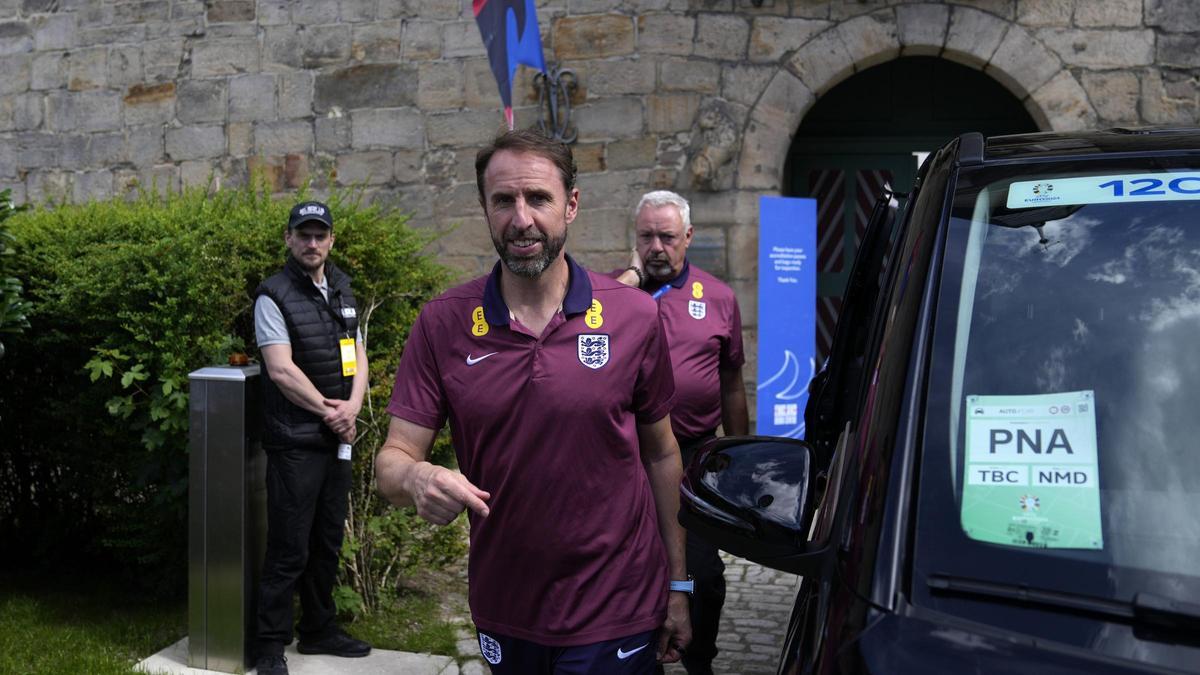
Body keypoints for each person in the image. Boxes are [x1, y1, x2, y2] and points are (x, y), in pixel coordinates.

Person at [376, 130, 692, 674]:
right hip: (506, 606)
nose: (521, 219)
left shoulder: (633, 317)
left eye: (538, 198)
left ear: (571, 204)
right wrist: (418, 479)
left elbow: (662, 454)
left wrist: (679, 585)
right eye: (503, 201)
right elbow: (392, 460)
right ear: (484, 207)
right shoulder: (443, 322)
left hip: (616, 602)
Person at [616, 190, 749, 675]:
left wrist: (740, 459)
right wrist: (630, 278)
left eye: (667, 237)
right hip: (626, 454)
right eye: (646, 236)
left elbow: (732, 382)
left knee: (705, 574)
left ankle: (700, 658)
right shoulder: (609, 294)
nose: (656, 246)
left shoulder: (718, 298)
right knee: (628, 567)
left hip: (693, 456)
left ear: (687, 237)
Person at [252, 201, 372, 675]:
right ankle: (268, 646)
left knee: (327, 541)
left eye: (320, 235)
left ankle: (319, 630)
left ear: (332, 241)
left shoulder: (342, 290)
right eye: (303, 234)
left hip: (337, 436)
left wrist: (355, 408)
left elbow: (359, 355)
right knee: (288, 548)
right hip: (298, 442)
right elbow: (281, 370)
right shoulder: (273, 296)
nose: (312, 243)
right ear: (288, 239)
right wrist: (330, 413)